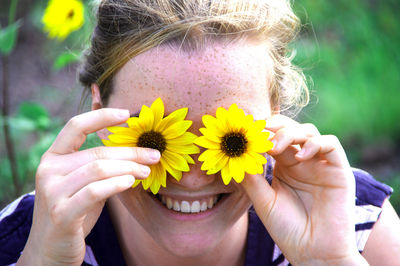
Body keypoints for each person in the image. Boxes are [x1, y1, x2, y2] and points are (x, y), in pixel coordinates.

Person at [1, 0, 400, 265]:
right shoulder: (28, 242)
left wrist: (330, 262)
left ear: (275, 112)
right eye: (152, 139)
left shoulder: (354, 226)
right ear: (99, 109)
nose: (191, 177)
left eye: (233, 139)